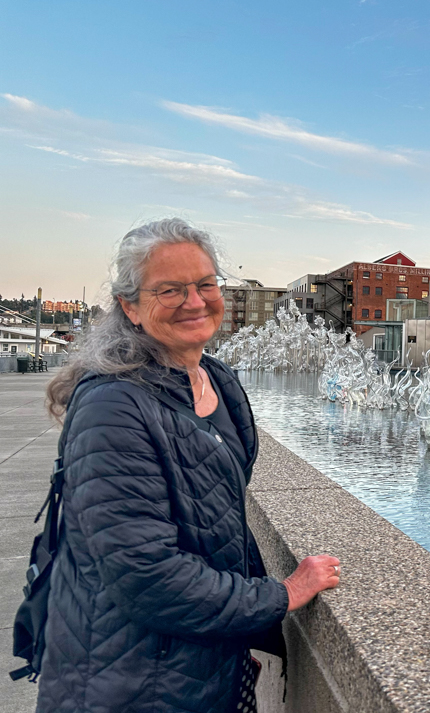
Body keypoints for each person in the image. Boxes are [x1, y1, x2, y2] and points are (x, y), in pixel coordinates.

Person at [39, 218, 339, 713]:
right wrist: (280, 596)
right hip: (132, 680)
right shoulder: (112, 406)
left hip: (199, 663)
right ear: (129, 307)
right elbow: (146, 575)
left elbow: (214, 517)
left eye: (205, 284)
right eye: (170, 290)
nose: (195, 301)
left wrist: (242, 640)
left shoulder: (216, 379)